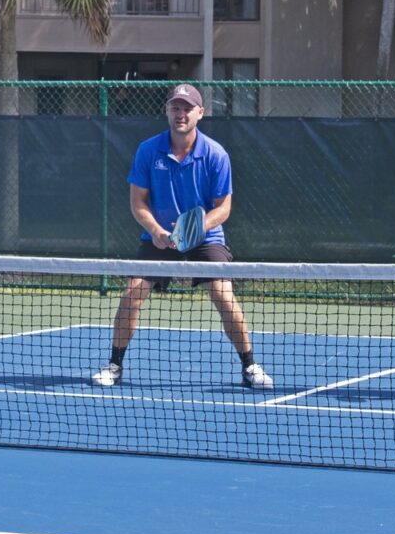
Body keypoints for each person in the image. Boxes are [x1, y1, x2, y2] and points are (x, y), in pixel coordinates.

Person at [91, 83, 273, 390]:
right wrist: (157, 231)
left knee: (223, 295)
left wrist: (195, 229)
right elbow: (138, 203)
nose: (181, 114)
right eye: (175, 107)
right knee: (133, 291)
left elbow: (223, 208)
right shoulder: (148, 151)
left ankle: (250, 365)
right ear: (166, 111)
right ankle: (114, 365)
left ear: (200, 113)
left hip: (205, 236)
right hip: (160, 236)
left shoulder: (216, 155)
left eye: (188, 108)